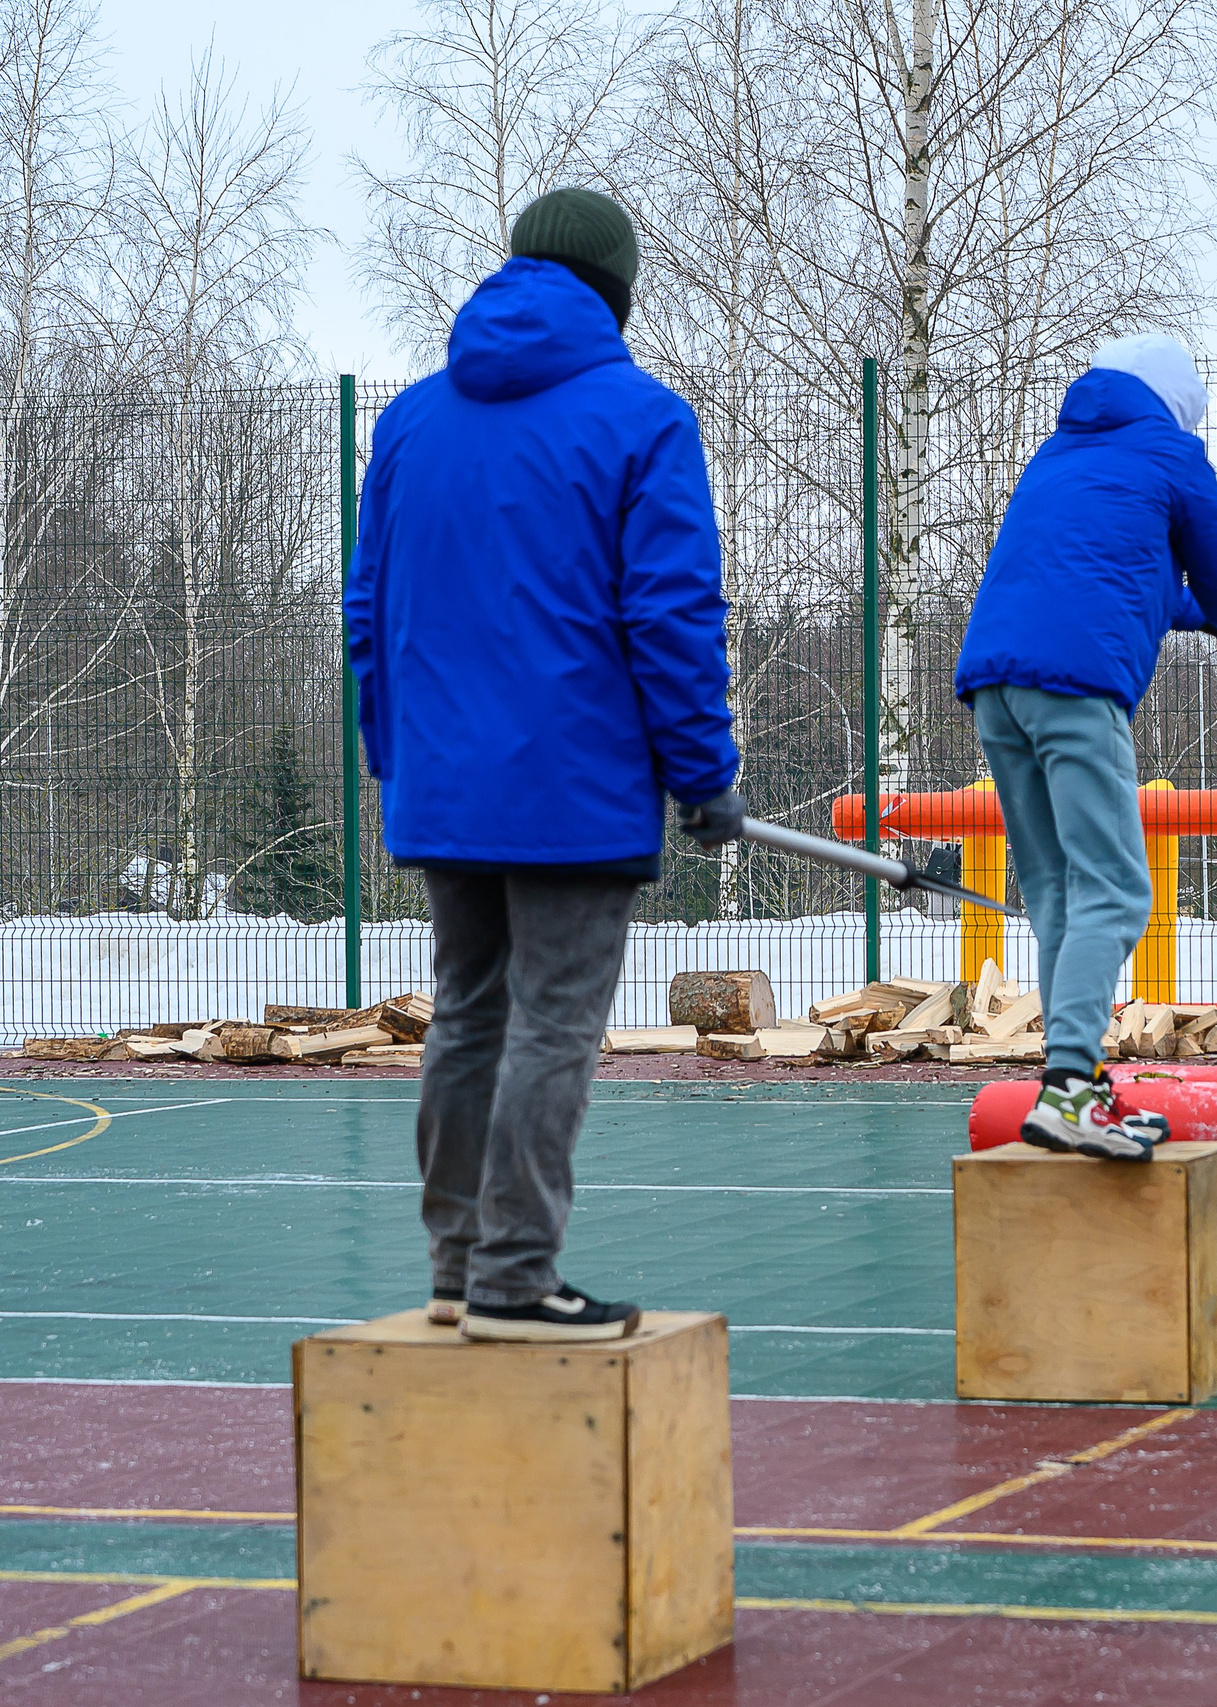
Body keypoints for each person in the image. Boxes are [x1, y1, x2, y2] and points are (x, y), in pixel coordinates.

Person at [347, 188, 741, 1343]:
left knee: (469, 1014)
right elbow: (670, 615)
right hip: (574, 789)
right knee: (552, 1024)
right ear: (616, 292)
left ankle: (459, 1267)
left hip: (444, 781)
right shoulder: (643, 419)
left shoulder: (410, 421)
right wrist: (702, 772)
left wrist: (395, 756)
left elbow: (365, 610)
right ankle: (516, 1279)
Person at [954, 334, 1217, 1160]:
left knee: (1059, 891)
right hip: (1073, 684)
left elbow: (1149, 587)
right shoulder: (1174, 453)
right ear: (1177, 406)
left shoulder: (1061, 455)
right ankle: (1066, 1089)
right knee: (1120, 889)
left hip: (995, 684)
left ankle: (1078, 1089)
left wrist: (1214, 621)